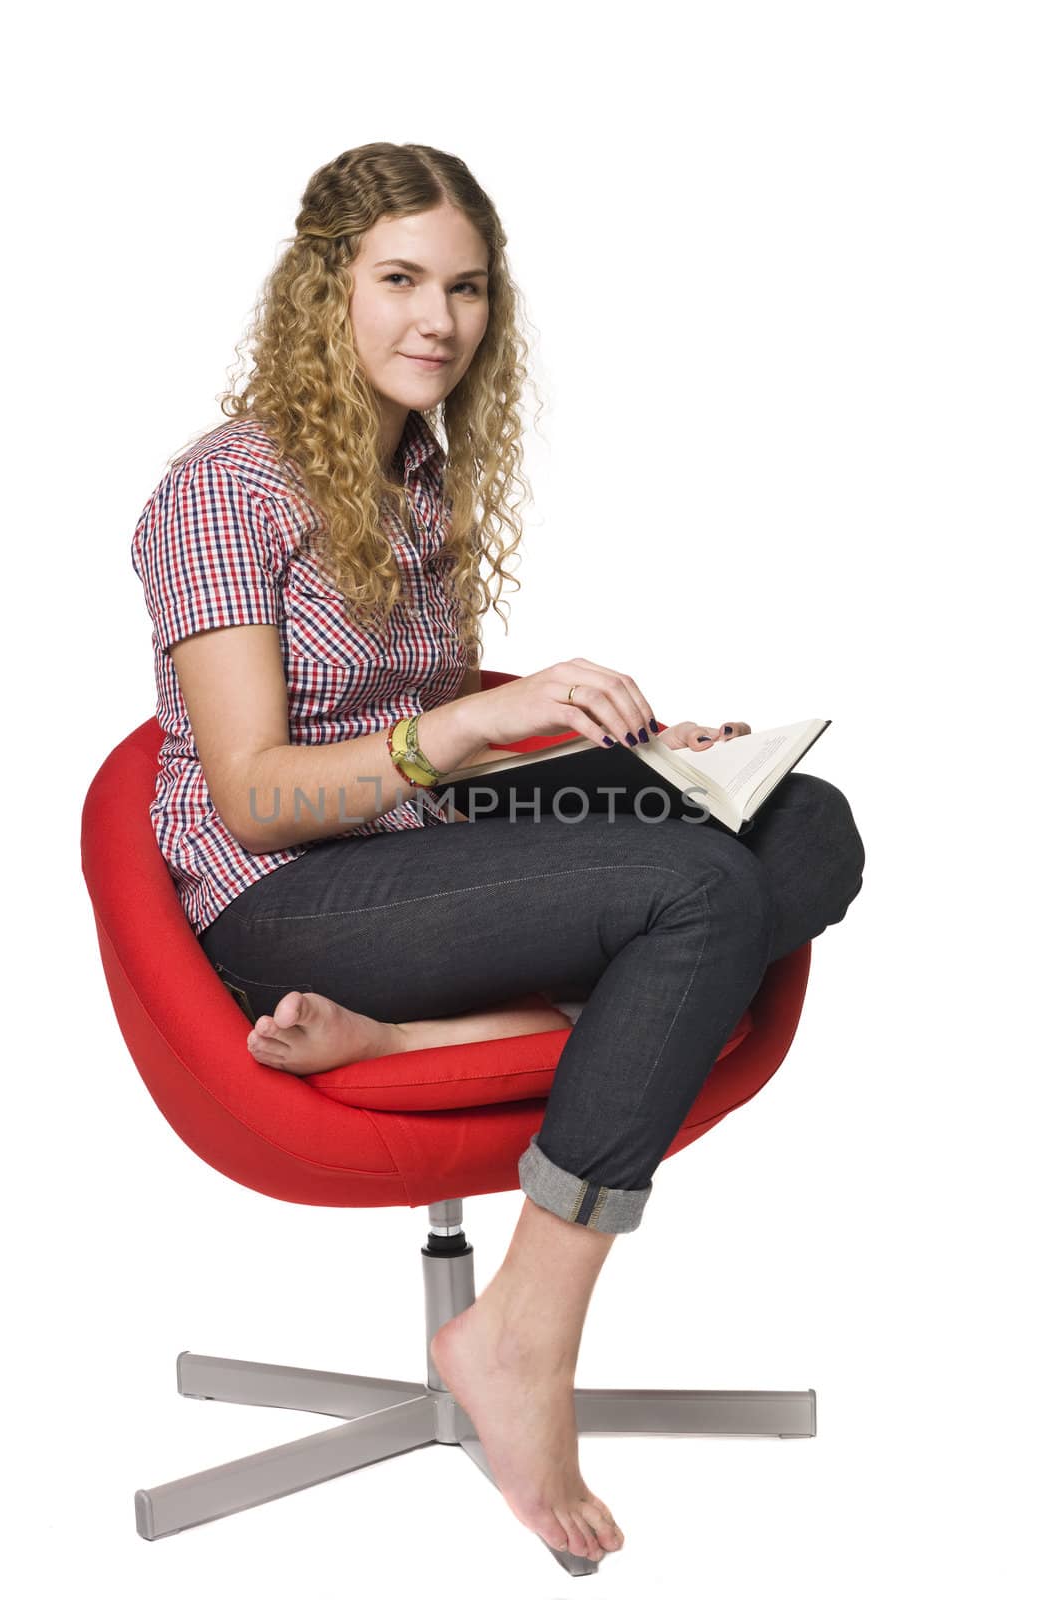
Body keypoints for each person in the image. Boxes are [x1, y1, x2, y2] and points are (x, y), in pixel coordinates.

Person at [130, 141, 866, 1564]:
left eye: (465, 288)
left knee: (793, 821)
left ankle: (430, 1037)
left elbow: (413, 723)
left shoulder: (411, 465)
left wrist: (628, 754)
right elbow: (261, 795)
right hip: (284, 898)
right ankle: (522, 1328)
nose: (439, 322)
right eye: (399, 279)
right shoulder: (224, 492)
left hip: (423, 842)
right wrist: (482, 729)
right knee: (694, 885)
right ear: (319, 291)